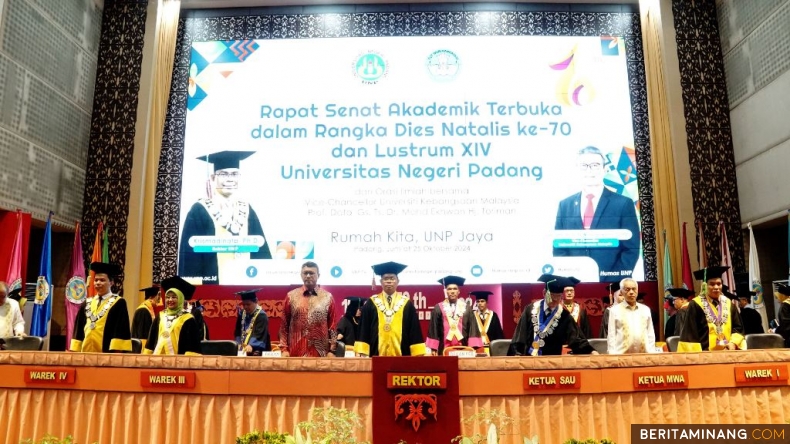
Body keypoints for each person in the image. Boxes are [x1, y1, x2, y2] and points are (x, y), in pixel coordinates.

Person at [178, 150, 272, 285]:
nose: (230, 179)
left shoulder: (246, 209)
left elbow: (261, 252)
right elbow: (190, 259)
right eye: (224, 174)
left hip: (246, 288)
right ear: (212, 178)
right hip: (212, 288)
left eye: (234, 174)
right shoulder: (199, 210)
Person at [553, 146, 641, 282]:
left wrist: (614, 281)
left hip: (612, 286)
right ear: (577, 169)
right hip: (574, 285)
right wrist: (568, 279)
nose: (589, 170)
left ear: (604, 169)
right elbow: (559, 247)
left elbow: (631, 249)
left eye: (595, 165)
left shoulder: (623, 204)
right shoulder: (565, 205)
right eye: (584, 166)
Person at [511, 274, 598, 356]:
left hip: (552, 361)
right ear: (544, 293)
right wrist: (517, 354)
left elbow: (576, 339)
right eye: (552, 296)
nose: (555, 300)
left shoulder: (564, 315)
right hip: (529, 359)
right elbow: (520, 335)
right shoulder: (530, 309)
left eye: (558, 297)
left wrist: (591, 351)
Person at [355, 262, 426, 357]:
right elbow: (364, 329)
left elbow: (414, 330)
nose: (389, 281)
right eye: (385, 279)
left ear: (398, 281)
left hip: (402, 355)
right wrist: (362, 352)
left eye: (392, 278)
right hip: (376, 355)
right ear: (380, 282)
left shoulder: (406, 304)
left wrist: (417, 354)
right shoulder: (371, 303)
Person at [678, 266, 745, 352]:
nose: (716, 287)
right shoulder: (696, 304)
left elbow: (738, 327)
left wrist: (733, 343)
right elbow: (690, 334)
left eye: (719, 284)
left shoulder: (729, 304)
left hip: (727, 353)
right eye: (712, 284)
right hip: (705, 355)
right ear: (705, 286)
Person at [70, 262, 132, 353]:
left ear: (111, 282)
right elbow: (78, 330)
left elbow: (120, 330)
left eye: (102, 280)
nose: (98, 283)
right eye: (96, 280)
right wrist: (75, 351)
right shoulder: (87, 303)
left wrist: (116, 354)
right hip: (85, 354)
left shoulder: (118, 303)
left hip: (106, 355)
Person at [279, 261, 337, 357]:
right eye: (305, 273)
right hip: (295, 353)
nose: (308, 276)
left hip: (320, 354)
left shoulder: (328, 297)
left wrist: (332, 351)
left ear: (318, 275)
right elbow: (284, 326)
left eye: (312, 273)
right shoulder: (291, 296)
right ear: (301, 275)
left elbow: (333, 326)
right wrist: (284, 349)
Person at [144, 277, 202, 355]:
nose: (170, 300)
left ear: (181, 299)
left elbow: (192, 346)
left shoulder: (188, 319)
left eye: (174, 297)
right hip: (157, 361)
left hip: (178, 362)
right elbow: (151, 341)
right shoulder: (160, 316)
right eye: (168, 297)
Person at [426, 276, 482, 355]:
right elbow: (433, 329)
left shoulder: (467, 308)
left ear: (459, 291)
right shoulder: (438, 308)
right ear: (446, 292)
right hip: (444, 349)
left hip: (464, 349)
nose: (452, 291)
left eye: (455, 289)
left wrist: (473, 347)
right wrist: (433, 348)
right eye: (449, 289)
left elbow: (472, 328)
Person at [607, 278, 656, 354]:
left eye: (634, 289)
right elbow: (611, 335)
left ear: (637, 291)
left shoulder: (645, 309)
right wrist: (612, 354)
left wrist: (652, 351)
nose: (631, 292)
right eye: (627, 289)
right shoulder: (614, 311)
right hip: (621, 356)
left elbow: (650, 333)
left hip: (644, 354)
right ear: (621, 292)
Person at [234, 289, 271, 355]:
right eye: (244, 304)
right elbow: (238, 331)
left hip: (258, 350)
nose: (245, 307)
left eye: (248, 304)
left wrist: (251, 345)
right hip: (242, 350)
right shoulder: (242, 313)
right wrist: (238, 344)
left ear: (256, 301)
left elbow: (259, 333)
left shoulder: (261, 315)